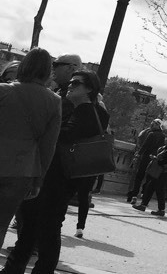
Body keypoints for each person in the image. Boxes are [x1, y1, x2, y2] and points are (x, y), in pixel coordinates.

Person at [3, 69, 108, 274]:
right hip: (61, 178)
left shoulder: (86, 112)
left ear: (89, 89)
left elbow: (66, 136)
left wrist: (46, 127)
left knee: (45, 229)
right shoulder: (90, 111)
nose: (70, 85)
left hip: (58, 179)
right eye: (70, 82)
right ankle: (15, 268)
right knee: (34, 226)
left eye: (76, 83)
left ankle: (31, 270)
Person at [0, 49, 62, 249]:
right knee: (1, 223)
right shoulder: (54, 101)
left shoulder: (3, 91)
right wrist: (39, 179)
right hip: (21, 171)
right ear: (47, 71)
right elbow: (48, 145)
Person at [133, 134, 167, 217]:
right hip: (164, 173)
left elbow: (162, 162)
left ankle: (160, 209)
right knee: (151, 188)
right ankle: (145, 205)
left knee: (159, 191)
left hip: (163, 173)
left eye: (166, 139)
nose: (165, 140)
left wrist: (155, 158)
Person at [127, 119, 165, 202]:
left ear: (157, 125)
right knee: (149, 178)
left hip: (146, 157)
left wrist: (138, 154)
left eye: (153, 124)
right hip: (155, 159)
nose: (152, 125)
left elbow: (145, 145)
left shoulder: (151, 134)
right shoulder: (163, 136)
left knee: (139, 176)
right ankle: (144, 195)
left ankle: (134, 195)